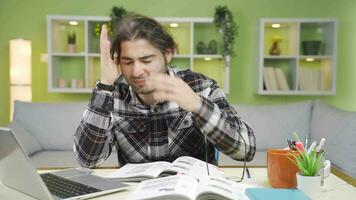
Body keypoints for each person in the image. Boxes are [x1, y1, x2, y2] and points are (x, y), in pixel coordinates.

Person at [74, 13, 256, 168]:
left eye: (146, 60)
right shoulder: (112, 95)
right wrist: (105, 85)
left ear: (167, 53)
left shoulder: (201, 86)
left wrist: (197, 105)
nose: (136, 71)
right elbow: (87, 161)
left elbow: (246, 150)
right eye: (128, 62)